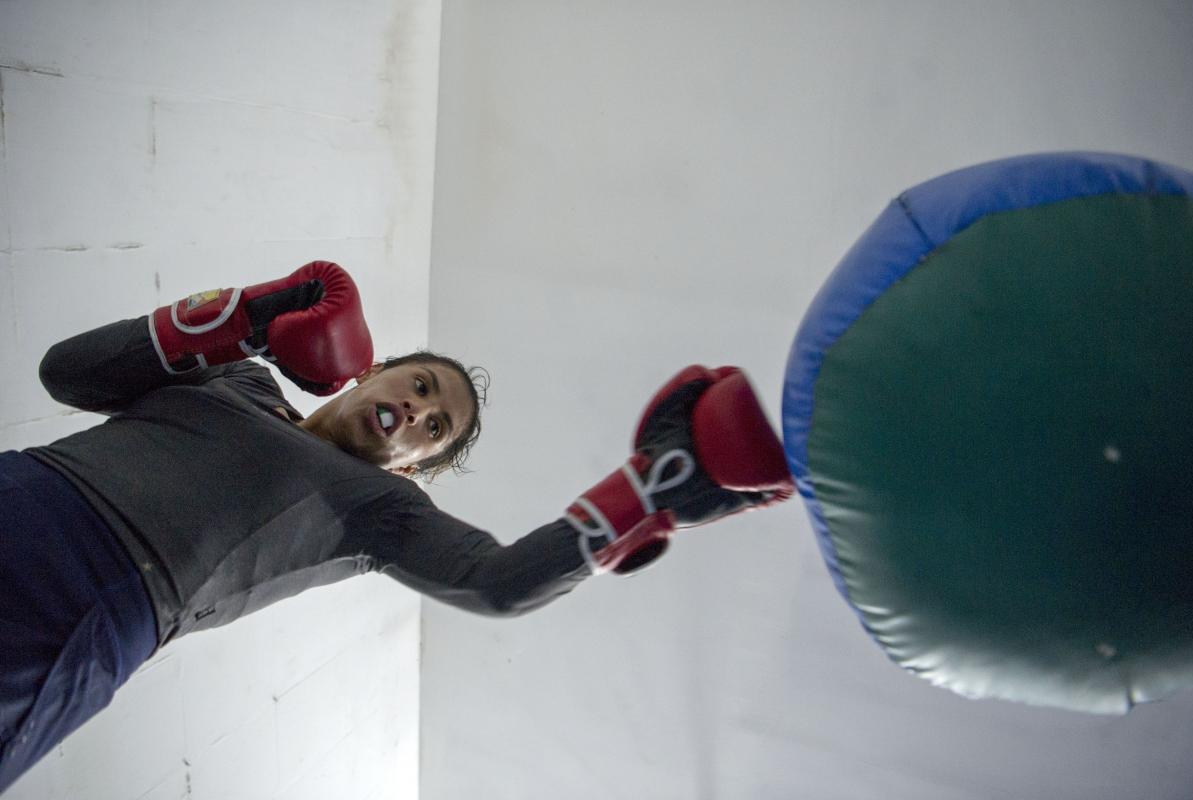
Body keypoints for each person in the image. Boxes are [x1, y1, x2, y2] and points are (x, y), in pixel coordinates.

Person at [0, 261, 793, 791]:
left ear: (413, 463)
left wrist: (647, 492)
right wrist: (248, 315)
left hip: (87, 603)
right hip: (24, 486)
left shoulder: (379, 509)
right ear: (370, 372)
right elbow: (66, 372)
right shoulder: (237, 375)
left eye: (434, 426)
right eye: (418, 387)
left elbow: (500, 582)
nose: (417, 410)